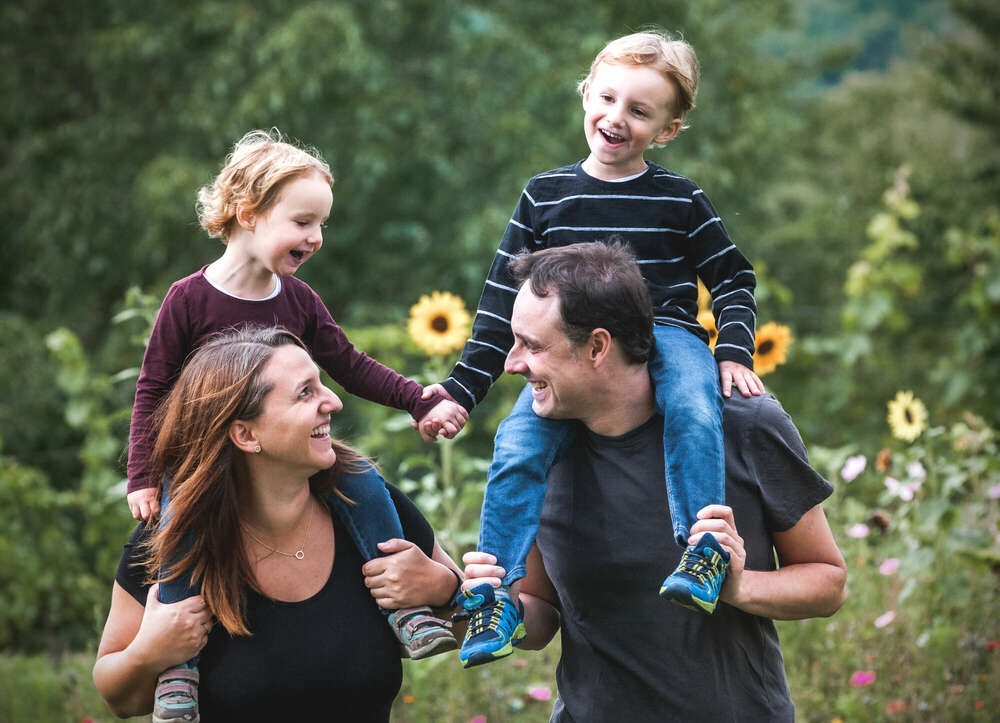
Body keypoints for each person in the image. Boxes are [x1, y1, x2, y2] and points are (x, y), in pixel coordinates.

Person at [436, 30, 763, 666]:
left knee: (695, 408)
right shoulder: (545, 194)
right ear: (586, 94)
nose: (616, 117)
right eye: (607, 97)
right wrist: (460, 391)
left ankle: (704, 553)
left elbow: (732, 276)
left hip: (666, 333)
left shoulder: (680, 199)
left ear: (667, 129)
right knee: (515, 446)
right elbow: (502, 301)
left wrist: (734, 352)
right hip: (567, 352)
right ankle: (493, 596)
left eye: (639, 111)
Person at [123, 131, 467, 718]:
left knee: (364, 482)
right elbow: (153, 386)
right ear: (248, 214)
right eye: (303, 221)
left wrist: (417, 400)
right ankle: (177, 672)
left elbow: (349, 365)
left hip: (288, 462)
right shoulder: (189, 300)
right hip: (210, 468)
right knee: (179, 525)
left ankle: (405, 609)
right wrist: (144, 475)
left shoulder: (300, 300)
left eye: (322, 224)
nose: (316, 237)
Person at [460, 243, 847, 720]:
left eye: (534, 346)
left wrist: (739, 587)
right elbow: (541, 617)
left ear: (598, 347)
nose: (511, 363)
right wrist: (499, 605)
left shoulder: (747, 425)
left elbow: (828, 583)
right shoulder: (532, 458)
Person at [95, 327, 464, 722]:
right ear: (246, 434)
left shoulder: (372, 509)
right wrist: (149, 653)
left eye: (322, 385)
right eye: (305, 392)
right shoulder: (171, 536)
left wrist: (444, 589)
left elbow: (479, 629)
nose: (334, 402)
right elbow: (120, 700)